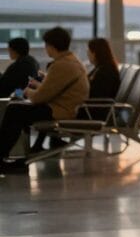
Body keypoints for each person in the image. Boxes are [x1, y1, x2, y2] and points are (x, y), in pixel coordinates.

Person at [0, 27, 89, 174]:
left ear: (52, 46)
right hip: (63, 107)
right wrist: (39, 85)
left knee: (14, 109)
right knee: (16, 108)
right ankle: (7, 155)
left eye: (46, 45)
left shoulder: (61, 65)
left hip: (60, 111)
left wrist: (27, 91)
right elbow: (51, 91)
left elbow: (39, 97)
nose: (45, 48)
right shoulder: (70, 61)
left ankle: (1, 156)